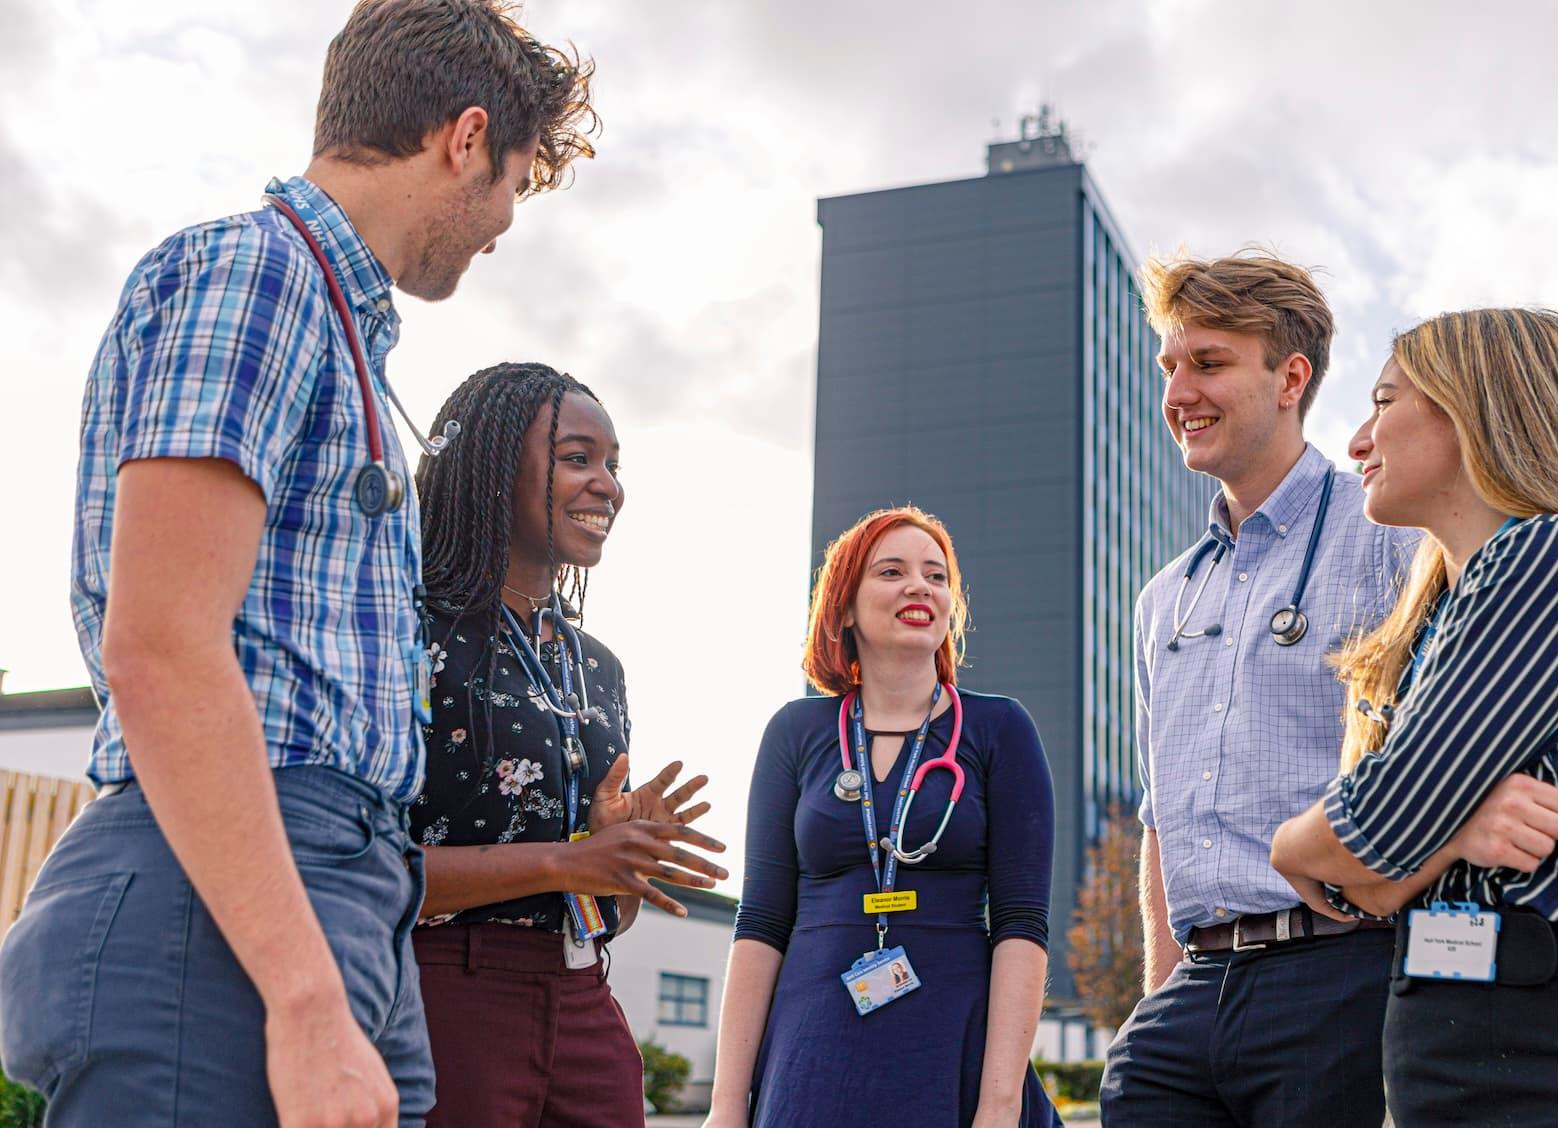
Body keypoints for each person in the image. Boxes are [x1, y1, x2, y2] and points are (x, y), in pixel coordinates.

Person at [0, 4, 595, 1125]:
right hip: (227, 907)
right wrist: (308, 1000)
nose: (503, 223)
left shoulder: (342, 337)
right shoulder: (256, 276)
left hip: (342, 891)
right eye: (513, 183)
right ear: (465, 138)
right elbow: (163, 649)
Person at [1267, 308, 1558, 1125]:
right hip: (1446, 1026)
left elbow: (1367, 825)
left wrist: (1291, 843)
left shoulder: (1552, 556)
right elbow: (1372, 884)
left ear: (1474, 408)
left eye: (1383, 401)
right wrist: (1452, 832)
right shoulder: (1436, 612)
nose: (1358, 441)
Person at [1096, 251, 1422, 1126]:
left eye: (1208, 363)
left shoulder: (1388, 537)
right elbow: (1161, 817)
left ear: (1290, 377)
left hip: (1340, 978)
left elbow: (1439, 759)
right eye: (1170, 366)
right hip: (1191, 994)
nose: (1178, 392)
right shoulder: (1161, 599)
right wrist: (1157, 1003)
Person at [405, 363, 728, 1126]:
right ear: (488, 467)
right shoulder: (404, 632)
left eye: (614, 466)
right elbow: (353, 870)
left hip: (584, 997)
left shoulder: (596, 667)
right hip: (439, 995)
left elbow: (599, 910)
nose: (608, 486)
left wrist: (616, 862)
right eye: (578, 458)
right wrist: (564, 859)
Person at [706, 507, 1060, 1128]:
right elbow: (760, 922)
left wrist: (999, 1105)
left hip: (953, 1046)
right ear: (843, 607)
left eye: (936, 575)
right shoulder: (795, 732)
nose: (919, 587)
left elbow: (1021, 923)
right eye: (891, 571)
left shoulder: (1000, 729)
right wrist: (726, 1105)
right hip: (810, 1053)